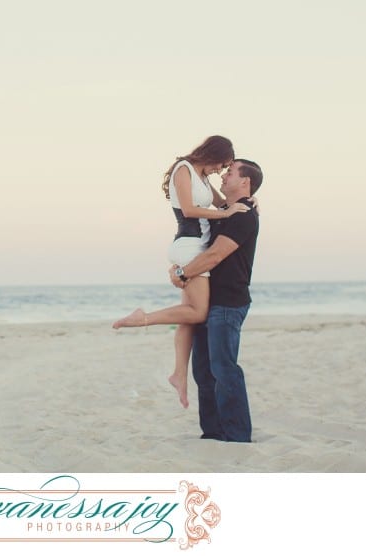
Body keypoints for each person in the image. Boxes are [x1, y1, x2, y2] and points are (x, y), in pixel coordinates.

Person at [112, 135, 249, 408]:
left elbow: (225, 204)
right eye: (220, 165)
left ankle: (179, 374)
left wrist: (249, 201)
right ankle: (143, 319)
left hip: (193, 246)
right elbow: (188, 209)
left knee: (190, 316)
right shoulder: (184, 169)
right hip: (189, 246)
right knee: (198, 312)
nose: (219, 172)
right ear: (213, 154)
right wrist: (225, 215)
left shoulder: (202, 177)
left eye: (224, 170)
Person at [168, 158, 262, 443]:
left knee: (223, 368)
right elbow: (199, 241)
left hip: (228, 302)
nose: (223, 176)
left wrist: (183, 274)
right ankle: (213, 433)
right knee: (203, 371)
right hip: (208, 301)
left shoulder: (244, 215)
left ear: (245, 182)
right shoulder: (224, 212)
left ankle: (236, 436)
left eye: (230, 172)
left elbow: (214, 255)